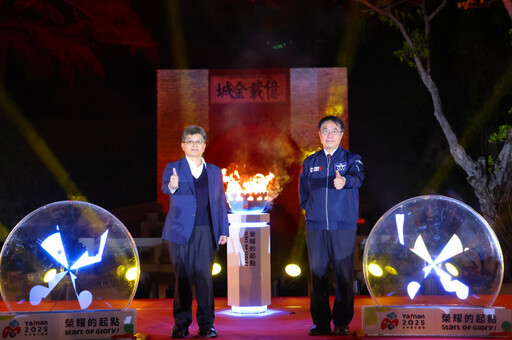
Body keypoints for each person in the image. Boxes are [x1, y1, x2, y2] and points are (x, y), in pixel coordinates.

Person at [298, 115, 364, 336]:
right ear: (319, 134)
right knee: (317, 276)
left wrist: (345, 181)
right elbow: (303, 194)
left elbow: (358, 177)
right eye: (325, 130)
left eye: (334, 130)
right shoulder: (310, 162)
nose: (329, 134)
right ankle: (321, 323)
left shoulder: (352, 158)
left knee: (344, 276)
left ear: (341, 134)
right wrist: (311, 211)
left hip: (343, 226)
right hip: (316, 227)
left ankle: (342, 323)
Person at [161, 125, 229, 339]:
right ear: (183, 145)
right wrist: (172, 186)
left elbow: (220, 201)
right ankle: (181, 324)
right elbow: (166, 188)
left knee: (205, 279)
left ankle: (207, 324)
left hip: (206, 231)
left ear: (204, 146)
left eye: (198, 142)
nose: (194, 145)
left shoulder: (214, 171)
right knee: (183, 278)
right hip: (180, 232)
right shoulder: (174, 168)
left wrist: (223, 229)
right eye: (190, 141)